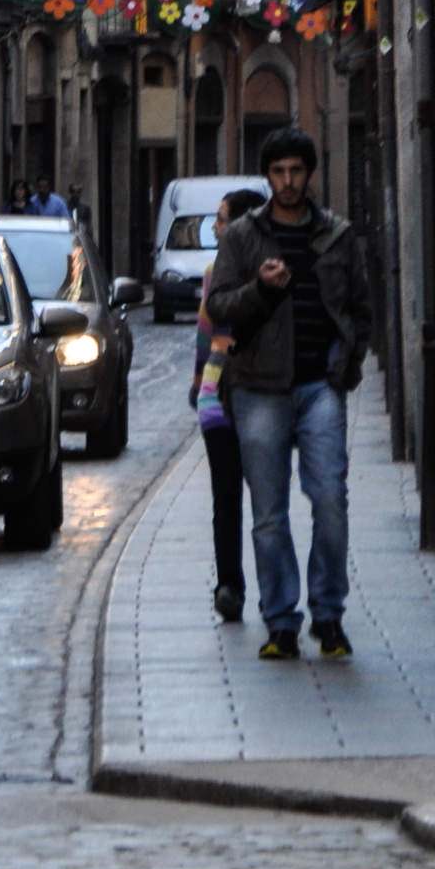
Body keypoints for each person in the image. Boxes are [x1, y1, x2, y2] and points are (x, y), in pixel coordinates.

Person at [207, 126, 371, 662]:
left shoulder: (338, 236)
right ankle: (281, 620)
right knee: (269, 513)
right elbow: (220, 307)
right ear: (268, 176)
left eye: (296, 170)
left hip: (320, 386)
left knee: (330, 500)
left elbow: (361, 309)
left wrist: (346, 368)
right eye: (278, 172)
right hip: (258, 386)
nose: (288, 181)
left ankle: (328, 614)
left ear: (310, 174)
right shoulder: (242, 238)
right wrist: (261, 288)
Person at [192, 187, 267, 622]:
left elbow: (205, 336)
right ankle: (242, 589)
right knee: (256, 498)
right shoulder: (219, 271)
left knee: (234, 498)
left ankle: (236, 587)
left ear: (240, 225)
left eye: (221, 219)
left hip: (237, 391)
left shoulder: (228, 273)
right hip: (226, 396)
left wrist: (198, 382)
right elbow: (205, 333)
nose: (216, 227)